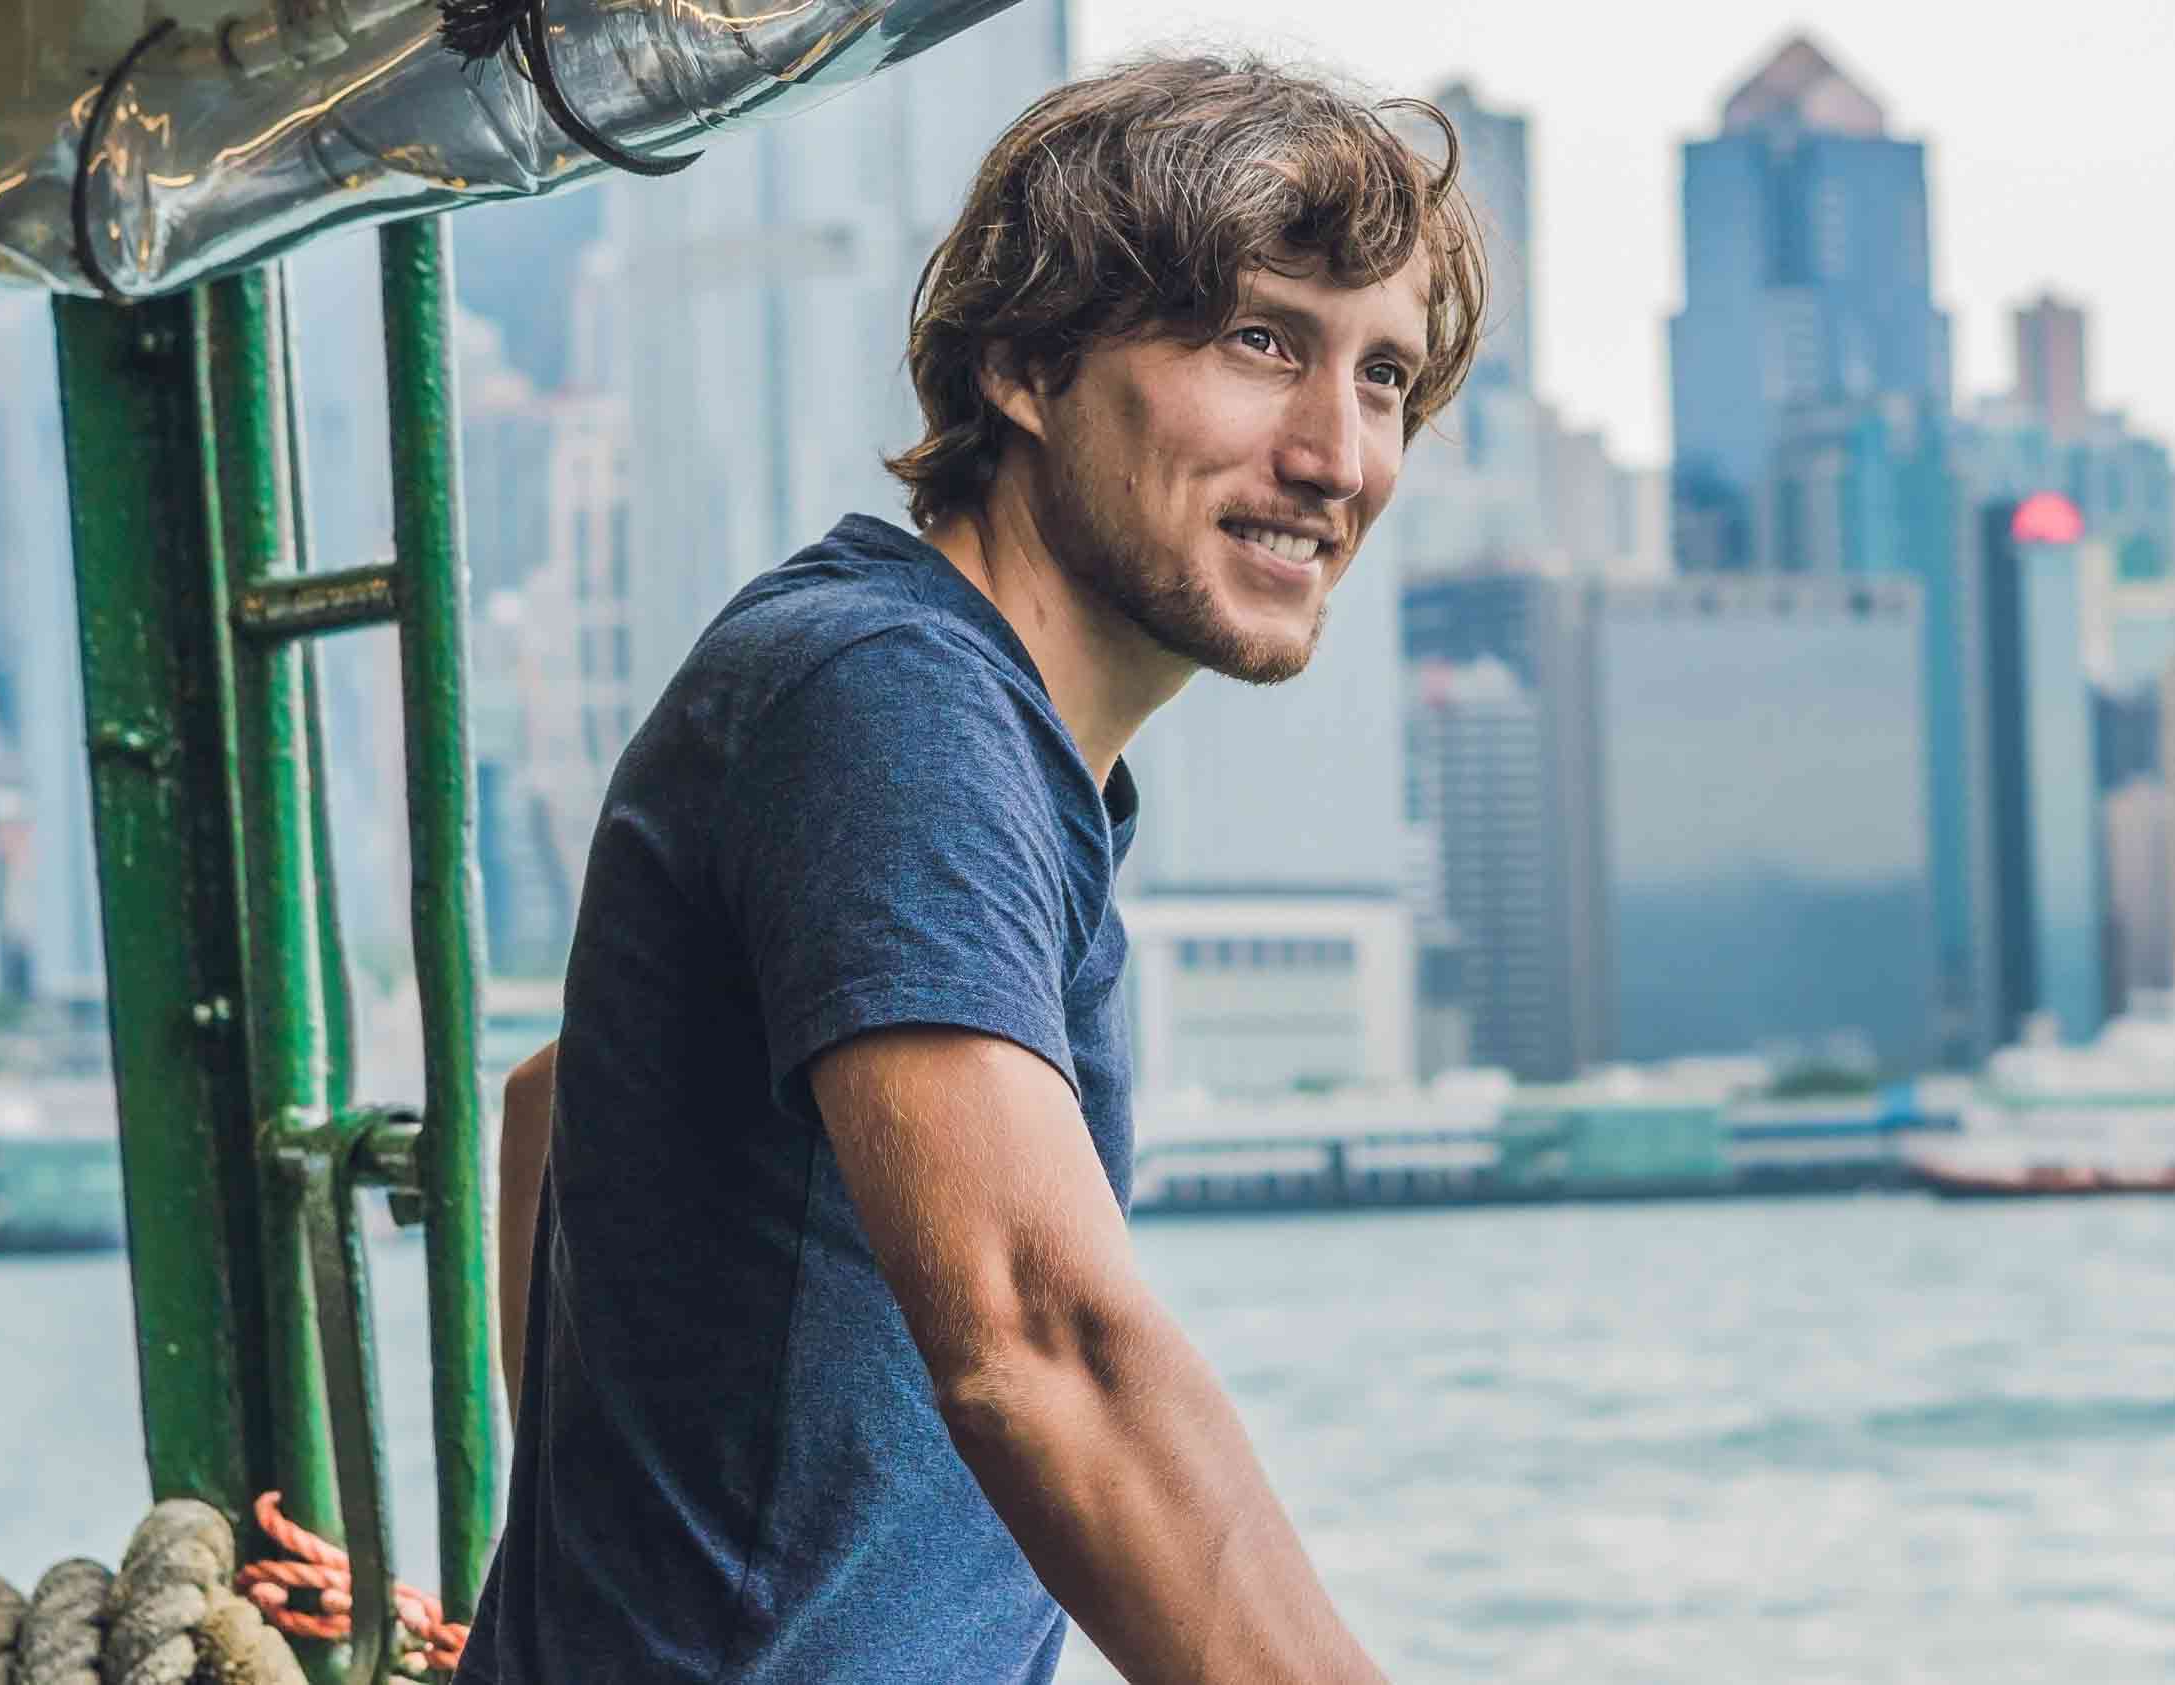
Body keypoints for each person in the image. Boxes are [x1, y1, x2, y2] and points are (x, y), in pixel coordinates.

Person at [459, 51, 1485, 1685]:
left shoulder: (970, 731)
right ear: (1024, 363)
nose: (1337, 455)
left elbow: (553, 1103)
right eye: (1260, 341)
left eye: (1384, 379)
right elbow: (1047, 1345)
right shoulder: (897, 697)